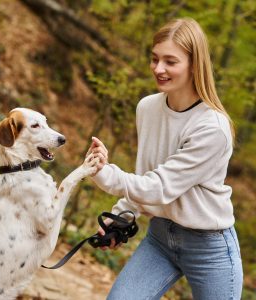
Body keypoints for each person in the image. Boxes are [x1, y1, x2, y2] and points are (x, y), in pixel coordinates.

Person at [88, 18, 243, 300]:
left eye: (170, 62)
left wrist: (105, 174)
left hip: (209, 248)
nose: (159, 69)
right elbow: (148, 172)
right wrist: (124, 214)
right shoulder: (147, 108)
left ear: (194, 65)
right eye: (155, 59)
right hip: (160, 238)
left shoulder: (212, 128)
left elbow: (159, 187)